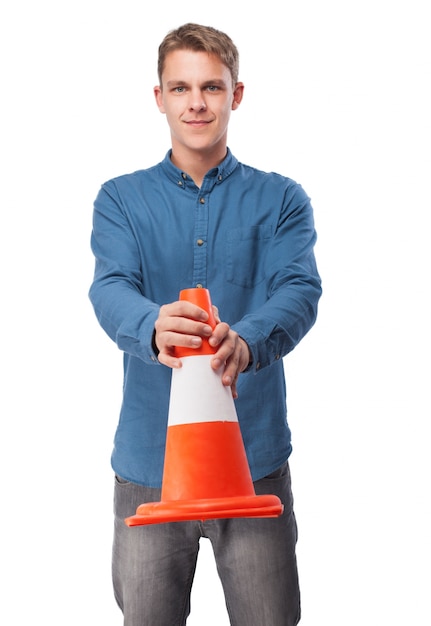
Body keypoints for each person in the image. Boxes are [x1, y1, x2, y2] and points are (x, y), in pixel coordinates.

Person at [89, 22, 321, 626]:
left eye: (212, 87)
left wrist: (246, 338)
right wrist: (150, 325)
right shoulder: (120, 199)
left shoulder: (282, 199)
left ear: (236, 95)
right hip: (149, 467)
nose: (197, 102)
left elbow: (299, 287)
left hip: (254, 455)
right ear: (159, 97)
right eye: (182, 87)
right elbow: (110, 286)